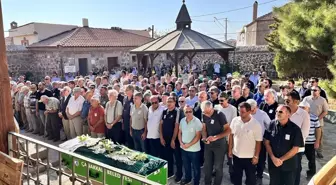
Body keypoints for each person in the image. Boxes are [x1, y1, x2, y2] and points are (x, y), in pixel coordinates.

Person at [264, 105, 304, 185]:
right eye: (276, 111)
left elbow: (295, 149)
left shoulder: (295, 129)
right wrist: (272, 157)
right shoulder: (271, 124)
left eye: (280, 112)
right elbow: (266, 141)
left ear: (288, 114)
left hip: (289, 166)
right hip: (274, 164)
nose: (277, 113)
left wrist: (281, 160)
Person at [228, 102, 262, 185]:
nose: (240, 113)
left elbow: (258, 142)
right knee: (236, 179)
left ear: (249, 111)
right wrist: (230, 150)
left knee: (250, 180)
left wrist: (256, 156)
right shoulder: (235, 120)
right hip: (236, 155)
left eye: (242, 112)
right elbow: (231, 135)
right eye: (239, 111)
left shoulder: (256, 124)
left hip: (249, 157)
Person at [201, 101, 231, 185]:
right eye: (204, 112)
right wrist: (204, 137)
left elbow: (228, 130)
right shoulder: (203, 113)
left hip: (219, 144)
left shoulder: (220, 115)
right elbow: (203, 128)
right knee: (207, 166)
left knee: (218, 167)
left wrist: (216, 137)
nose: (206, 114)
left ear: (211, 109)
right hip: (208, 143)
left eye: (207, 112)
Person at [284, 91, 310, 185]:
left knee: (295, 171)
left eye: (288, 101)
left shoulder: (304, 115)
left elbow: (304, 134)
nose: (285, 103)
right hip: (283, 147)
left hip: (296, 149)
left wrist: (293, 146)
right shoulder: (283, 111)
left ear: (296, 102)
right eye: (285, 100)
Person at [246, 99, 271, 185]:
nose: (251, 112)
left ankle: (259, 176)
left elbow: (269, 127)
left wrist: (266, 138)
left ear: (256, 107)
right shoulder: (246, 113)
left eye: (252, 110)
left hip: (260, 141)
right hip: (248, 141)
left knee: (260, 160)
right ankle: (250, 177)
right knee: (249, 160)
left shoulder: (263, 114)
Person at [160, 96, 183, 182]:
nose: (169, 103)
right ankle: (170, 172)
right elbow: (161, 124)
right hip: (165, 139)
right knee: (168, 157)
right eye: (167, 101)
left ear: (174, 102)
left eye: (171, 101)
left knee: (177, 158)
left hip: (175, 139)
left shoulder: (177, 111)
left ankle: (179, 175)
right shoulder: (164, 111)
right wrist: (161, 137)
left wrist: (173, 139)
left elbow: (176, 126)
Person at [302, 86, 328, 159]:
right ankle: (304, 150)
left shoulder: (323, 100)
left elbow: (325, 111)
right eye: (312, 90)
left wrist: (317, 119)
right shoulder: (306, 99)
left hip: (318, 122)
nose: (313, 91)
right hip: (306, 121)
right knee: (306, 136)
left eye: (315, 90)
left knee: (319, 137)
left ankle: (319, 151)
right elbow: (302, 108)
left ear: (319, 91)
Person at [178, 105, 202, 185]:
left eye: (190, 111)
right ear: (184, 113)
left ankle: (196, 182)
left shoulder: (197, 121)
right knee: (186, 166)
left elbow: (198, 136)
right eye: (186, 112)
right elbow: (179, 133)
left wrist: (189, 145)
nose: (188, 113)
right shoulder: (182, 121)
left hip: (194, 150)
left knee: (196, 168)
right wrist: (181, 143)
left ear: (192, 111)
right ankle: (188, 179)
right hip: (183, 148)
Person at [299, 101, 321, 179]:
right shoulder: (296, 117)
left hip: (310, 142)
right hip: (299, 142)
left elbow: (318, 130)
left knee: (311, 160)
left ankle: (311, 175)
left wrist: (317, 141)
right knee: (297, 160)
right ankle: (297, 174)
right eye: (300, 107)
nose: (302, 109)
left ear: (308, 109)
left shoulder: (314, 117)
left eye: (304, 108)